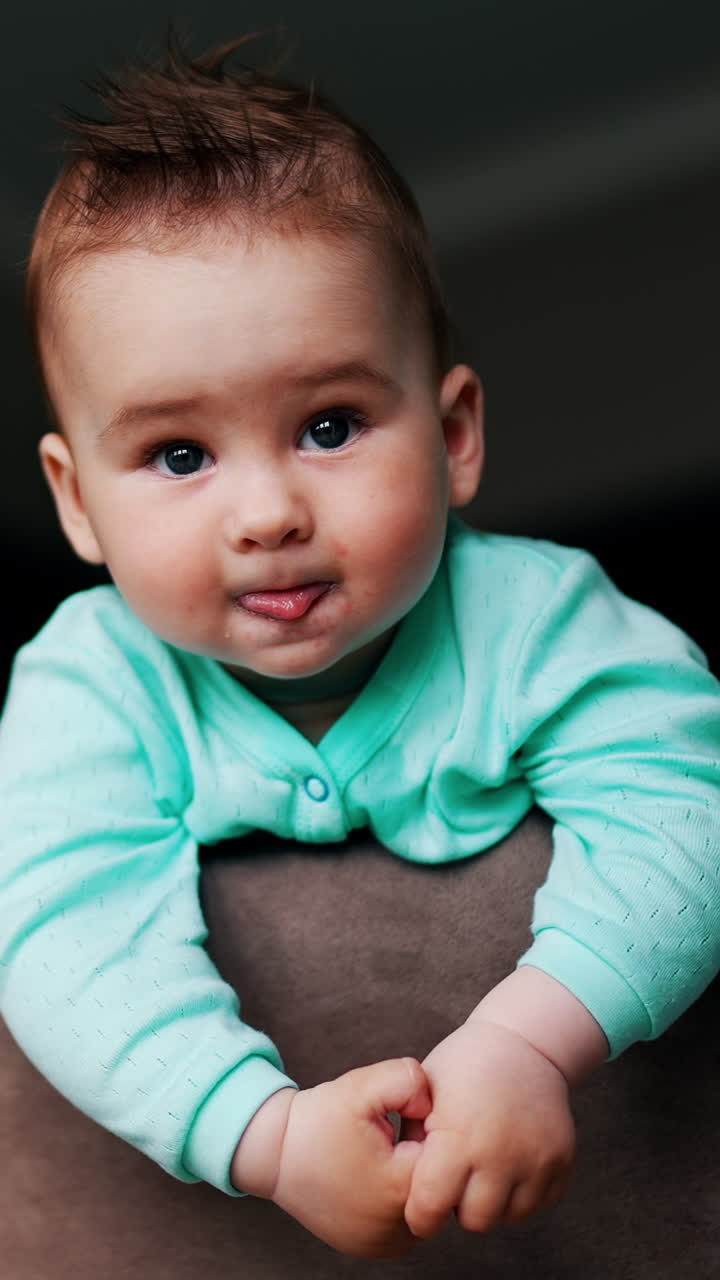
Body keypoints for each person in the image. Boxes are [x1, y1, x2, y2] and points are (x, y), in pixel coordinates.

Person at [1, 35, 719, 1262]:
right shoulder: (88, 681)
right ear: (75, 503)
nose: (268, 512)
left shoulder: (543, 620)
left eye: (329, 425)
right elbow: (64, 934)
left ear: (454, 434)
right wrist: (263, 1131)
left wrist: (527, 1039)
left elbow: (684, 813)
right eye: (180, 454)